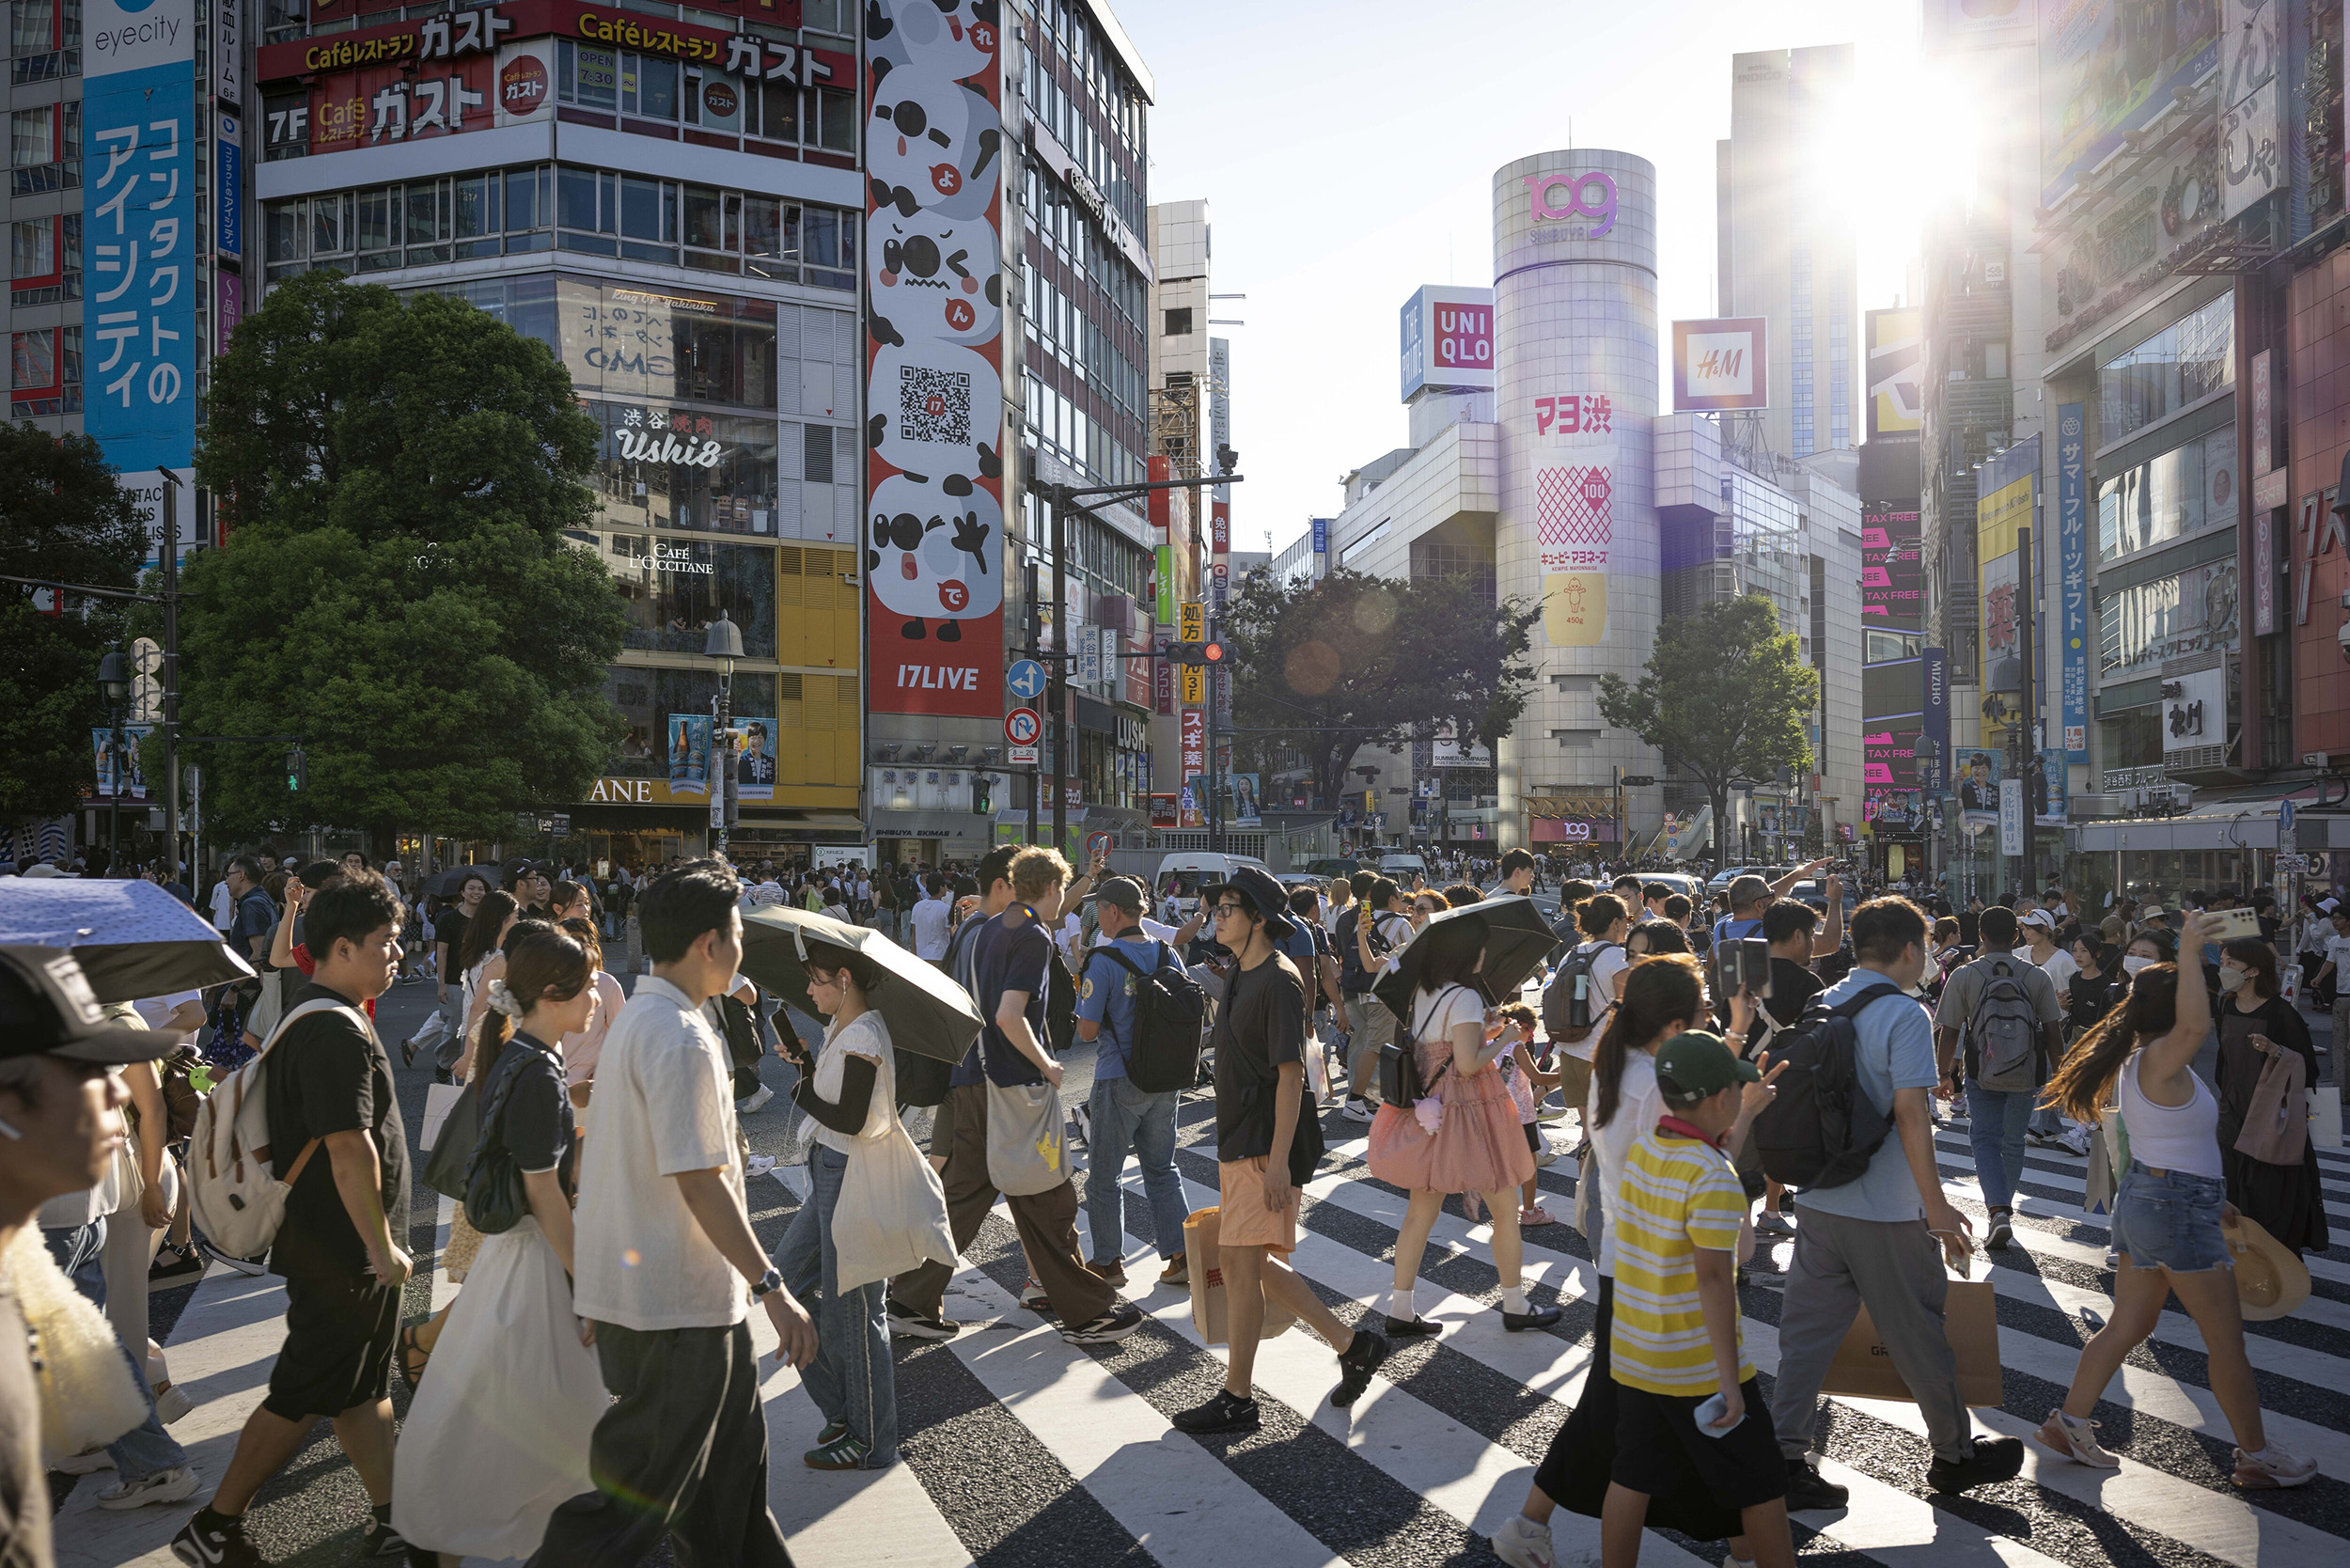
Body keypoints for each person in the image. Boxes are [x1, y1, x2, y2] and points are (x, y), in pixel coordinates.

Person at [526, 861, 818, 1566]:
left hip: (669, 1302)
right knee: (630, 1505)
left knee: (730, 1491)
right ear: (709, 943)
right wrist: (774, 1289)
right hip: (674, 1309)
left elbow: (600, 1159)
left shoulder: (643, 1020)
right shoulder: (679, 1038)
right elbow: (700, 1181)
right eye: (739, 932)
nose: (742, 946)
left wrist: (595, 1278)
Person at [172, 875, 414, 1567]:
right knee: (302, 1392)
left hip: (342, 1248)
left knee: (360, 1390)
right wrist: (381, 1245)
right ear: (341, 947)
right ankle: (213, 1528)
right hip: (340, 1250)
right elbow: (348, 1148)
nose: (396, 955)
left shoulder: (325, 1012)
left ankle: (392, 1519)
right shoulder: (333, 1028)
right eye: (385, 944)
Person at [2033, 917, 2319, 1488]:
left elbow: (2174, 1143)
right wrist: (2189, 948)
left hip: (2155, 1198)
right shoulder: (2162, 1057)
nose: (2205, 1010)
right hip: (2172, 1206)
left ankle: (2070, 1421)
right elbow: (2194, 1021)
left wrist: (2216, 1199)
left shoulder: (2145, 1060)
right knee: (2225, 1341)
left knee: (2129, 1323)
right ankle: (2256, 1454)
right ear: (2176, 1010)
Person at [1494, 958, 1759, 1568]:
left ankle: (1531, 1524)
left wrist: (1733, 1038)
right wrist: (1744, 1108)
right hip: (1662, 1270)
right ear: (1670, 1027)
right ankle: (1747, 1547)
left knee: (1617, 1415)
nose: (1709, 1027)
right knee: (1703, 1420)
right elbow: (1703, 1152)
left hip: (1629, 1263)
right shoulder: (1655, 1087)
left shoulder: (1625, 1069)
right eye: (1701, 1018)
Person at [1772, 897, 2022, 1511]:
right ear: (1910, 950)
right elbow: (1911, 1112)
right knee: (1917, 1330)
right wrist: (1936, 1205)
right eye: (1928, 947)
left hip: (1820, 1197)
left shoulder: (1823, 1001)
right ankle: (1955, 1455)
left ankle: (1782, 1457)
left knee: (1805, 1336)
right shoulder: (1905, 1014)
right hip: (1883, 1207)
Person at [392, 928, 607, 1563]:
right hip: (531, 1261)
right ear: (550, 993)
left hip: (513, 1258)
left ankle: (454, 1532)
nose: (597, 995)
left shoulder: (524, 1057)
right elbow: (543, 1193)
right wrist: (587, 1284)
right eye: (589, 985)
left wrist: (575, 1104)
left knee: (494, 1404)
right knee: (511, 1408)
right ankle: (452, 1531)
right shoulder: (536, 1066)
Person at [886, 847, 1142, 1345]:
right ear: (1049, 888)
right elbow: (1008, 1015)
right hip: (1011, 1084)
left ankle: (910, 1299)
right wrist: (1047, 1064)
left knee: (965, 1196)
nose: (1062, 903)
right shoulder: (1028, 935)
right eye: (1060, 892)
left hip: (971, 1081)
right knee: (1047, 1196)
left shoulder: (982, 931)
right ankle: (1088, 1313)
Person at [1167, 870, 1390, 1435]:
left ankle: (1239, 1396)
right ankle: (1351, 1344)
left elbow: (1292, 1079)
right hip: (1238, 1136)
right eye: (1215, 908)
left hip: (1264, 1144)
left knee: (1246, 1264)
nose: (1217, 917)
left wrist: (1282, 1161)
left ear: (1258, 919)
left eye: (1227, 910)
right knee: (1249, 1264)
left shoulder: (1280, 981)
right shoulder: (1242, 973)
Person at [2, 947, 199, 1566]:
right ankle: (120, 1441)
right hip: (77, 1208)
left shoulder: (60, 1019)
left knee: (90, 1343)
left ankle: (149, 1453)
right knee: (89, 1341)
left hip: (68, 1212)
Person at [1600, 1031, 1794, 1568]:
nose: (1741, 1095)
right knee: (1761, 1483)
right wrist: (1729, 1379)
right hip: (1697, 1363)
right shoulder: (1712, 1177)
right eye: (1737, 1090)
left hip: (1637, 1350)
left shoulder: (1647, 1151)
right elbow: (1713, 1280)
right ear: (1715, 1100)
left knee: (1631, 1476)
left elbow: (1706, 1171)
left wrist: (1746, 1116)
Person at [772, 935, 938, 1471]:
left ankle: (871, 1440)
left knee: (857, 1311)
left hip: (851, 1172)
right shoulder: (839, 1026)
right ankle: (843, 1408)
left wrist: (801, 1087)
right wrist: (802, 1061)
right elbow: (833, 1102)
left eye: (816, 981)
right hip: (827, 1169)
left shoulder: (864, 1031)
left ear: (843, 980)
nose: (809, 990)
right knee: (787, 1281)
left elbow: (849, 1117)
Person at [1365, 909, 1560, 1336]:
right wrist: (1506, 1038)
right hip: (1473, 1107)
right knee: (1505, 1208)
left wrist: (1485, 1032)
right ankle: (1514, 1302)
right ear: (1466, 952)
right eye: (1480, 946)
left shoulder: (1422, 993)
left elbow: (1445, 1048)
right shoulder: (1467, 997)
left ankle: (1400, 1309)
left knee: (1420, 1213)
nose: (1485, 952)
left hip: (1430, 1106)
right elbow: (1469, 1064)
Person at [1073, 876, 1193, 1287]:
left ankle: (1108, 1262)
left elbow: (1087, 1032)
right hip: (1166, 1078)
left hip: (1118, 1078)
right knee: (1161, 1168)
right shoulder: (1168, 953)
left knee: (1105, 1174)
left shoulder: (1103, 960)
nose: (1096, 917)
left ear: (1113, 911)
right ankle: (1181, 1257)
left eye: (1099, 909)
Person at [1933, 905, 2068, 1248]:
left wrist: (1944, 1073)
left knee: (1985, 1140)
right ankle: (2002, 1208)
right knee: (2013, 1141)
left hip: (1981, 1071)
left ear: (1980, 936)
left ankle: (1998, 1210)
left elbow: (1948, 1031)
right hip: (2028, 1072)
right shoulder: (2037, 976)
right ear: (2015, 936)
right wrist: (2062, 1075)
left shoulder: (1965, 975)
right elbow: (2053, 1033)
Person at [2211, 939, 2328, 1257]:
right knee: (2231, 1187)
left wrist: (2275, 1051)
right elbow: (2225, 1059)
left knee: (2267, 1192)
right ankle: (2239, 1258)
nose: (2224, 969)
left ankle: (2273, 1260)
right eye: (2222, 961)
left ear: (2253, 970)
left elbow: (2309, 1067)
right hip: (2232, 1110)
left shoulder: (2280, 1012)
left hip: (2269, 1115)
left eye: (2231, 963)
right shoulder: (2225, 1004)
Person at [1340, 878, 1414, 1122]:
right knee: (1375, 1046)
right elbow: (1411, 957)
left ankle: (1369, 1096)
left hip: (1361, 991)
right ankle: (1356, 1100)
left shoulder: (1366, 921)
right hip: (1386, 994)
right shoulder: (1401, 924)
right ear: (1392, 899)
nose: (1403, 901)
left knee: (1367, 1044)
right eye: (1400, 896)